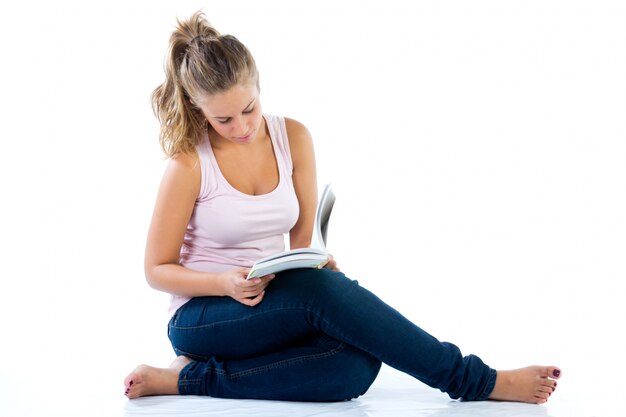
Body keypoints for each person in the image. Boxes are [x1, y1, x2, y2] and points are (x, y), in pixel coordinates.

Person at [124, 11, 561, 404]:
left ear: (260, 87)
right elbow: (156, 269)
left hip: (273, 301)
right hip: (203, 315)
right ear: (198, 110)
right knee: (324, 295)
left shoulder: (292, 137)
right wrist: (224, 282)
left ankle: (185, 381)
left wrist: (309, 262)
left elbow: (300, 239)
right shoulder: (188, 163)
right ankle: (475, 380)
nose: (241, 127)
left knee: (354, 366)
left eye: (249, 109)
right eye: (223, 120)